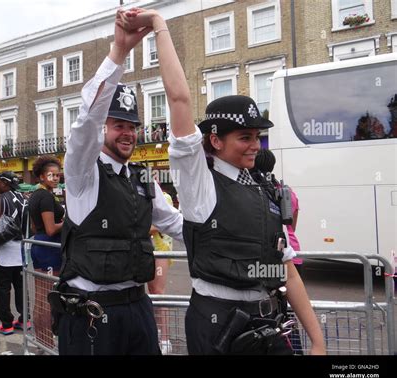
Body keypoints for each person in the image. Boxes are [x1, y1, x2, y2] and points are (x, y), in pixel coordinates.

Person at [122, 8, 325, 355]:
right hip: (218, 325)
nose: (254, 144)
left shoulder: (263, 187)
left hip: (267, 321)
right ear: (215, 140)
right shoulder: (199, 181)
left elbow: (287, 271)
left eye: (257, 136)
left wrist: (318, 342)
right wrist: (159, 26)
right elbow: (180, 99)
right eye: (244, 137)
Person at [56, 9, 183, 355]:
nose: (127, 133)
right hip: (92, 313)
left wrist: (230, 235)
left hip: (137, 308)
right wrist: (119, 53)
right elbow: (86, 120)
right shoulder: (83, 171)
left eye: (132, 126)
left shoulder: (143, 179)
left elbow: (176, 224)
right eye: (118, 125)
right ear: (104, 129)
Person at [0, 171, 28, 335]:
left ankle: (7, 323)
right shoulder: (24, 198)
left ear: (5, 183)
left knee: (3, 289)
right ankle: (25, 319)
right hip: (21, 251)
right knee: (21, 288)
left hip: (4, 252)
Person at [28, 155, 64, 348]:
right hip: (49, 248)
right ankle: (46, 344)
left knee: (41, 297)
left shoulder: (37, 195)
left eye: (58, 175)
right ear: (42, 176)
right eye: (51, 175)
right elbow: (50, 229)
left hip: (40, 244)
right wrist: (67, 222)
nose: (56, 178)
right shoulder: (45, 196)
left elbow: (35, 228)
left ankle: (42, 342)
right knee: (46, 298)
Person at [253, 149, 303, 275]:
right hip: (293, 252)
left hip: (272, 254)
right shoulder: (288, 192)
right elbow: (292, 227)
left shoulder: (254, 191)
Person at [148, 190, 174, 354]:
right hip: (145, 250)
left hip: (161, 249)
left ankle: (165, 338)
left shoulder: (165, 198)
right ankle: (157, 330)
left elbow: (162, 225)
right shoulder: (138, 196)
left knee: (159, 292)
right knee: (151, 292)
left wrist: (140, 227)